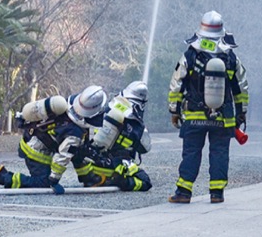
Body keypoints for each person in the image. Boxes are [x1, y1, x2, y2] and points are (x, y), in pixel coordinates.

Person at [167, 10, 249, 204]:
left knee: (191, 152)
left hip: (194, 115)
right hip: (223, 117)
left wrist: (174, 110)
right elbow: (241, 87)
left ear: (201, 29)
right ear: (221, 30)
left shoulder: (190, 54)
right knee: (220, 153)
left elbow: (177, 84)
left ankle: (184, 192)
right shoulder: (230, 57)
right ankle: (217, 193)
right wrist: (241, 112)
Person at [0, 87, 107, 192]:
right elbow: (62, 157)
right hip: (35, 152)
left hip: (31, 138)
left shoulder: (67, 105)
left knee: (79, 150)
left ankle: (88, 178)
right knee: (41, 182)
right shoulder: (74, 133)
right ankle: (3, 177)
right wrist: (54, 180)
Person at [87, 80, 152, 191]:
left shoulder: (107, 109)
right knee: (145, 182)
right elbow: (145, 148)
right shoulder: (136, 124)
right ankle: (122, 182)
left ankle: (97, 179)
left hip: (92, 164)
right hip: (116, 165)